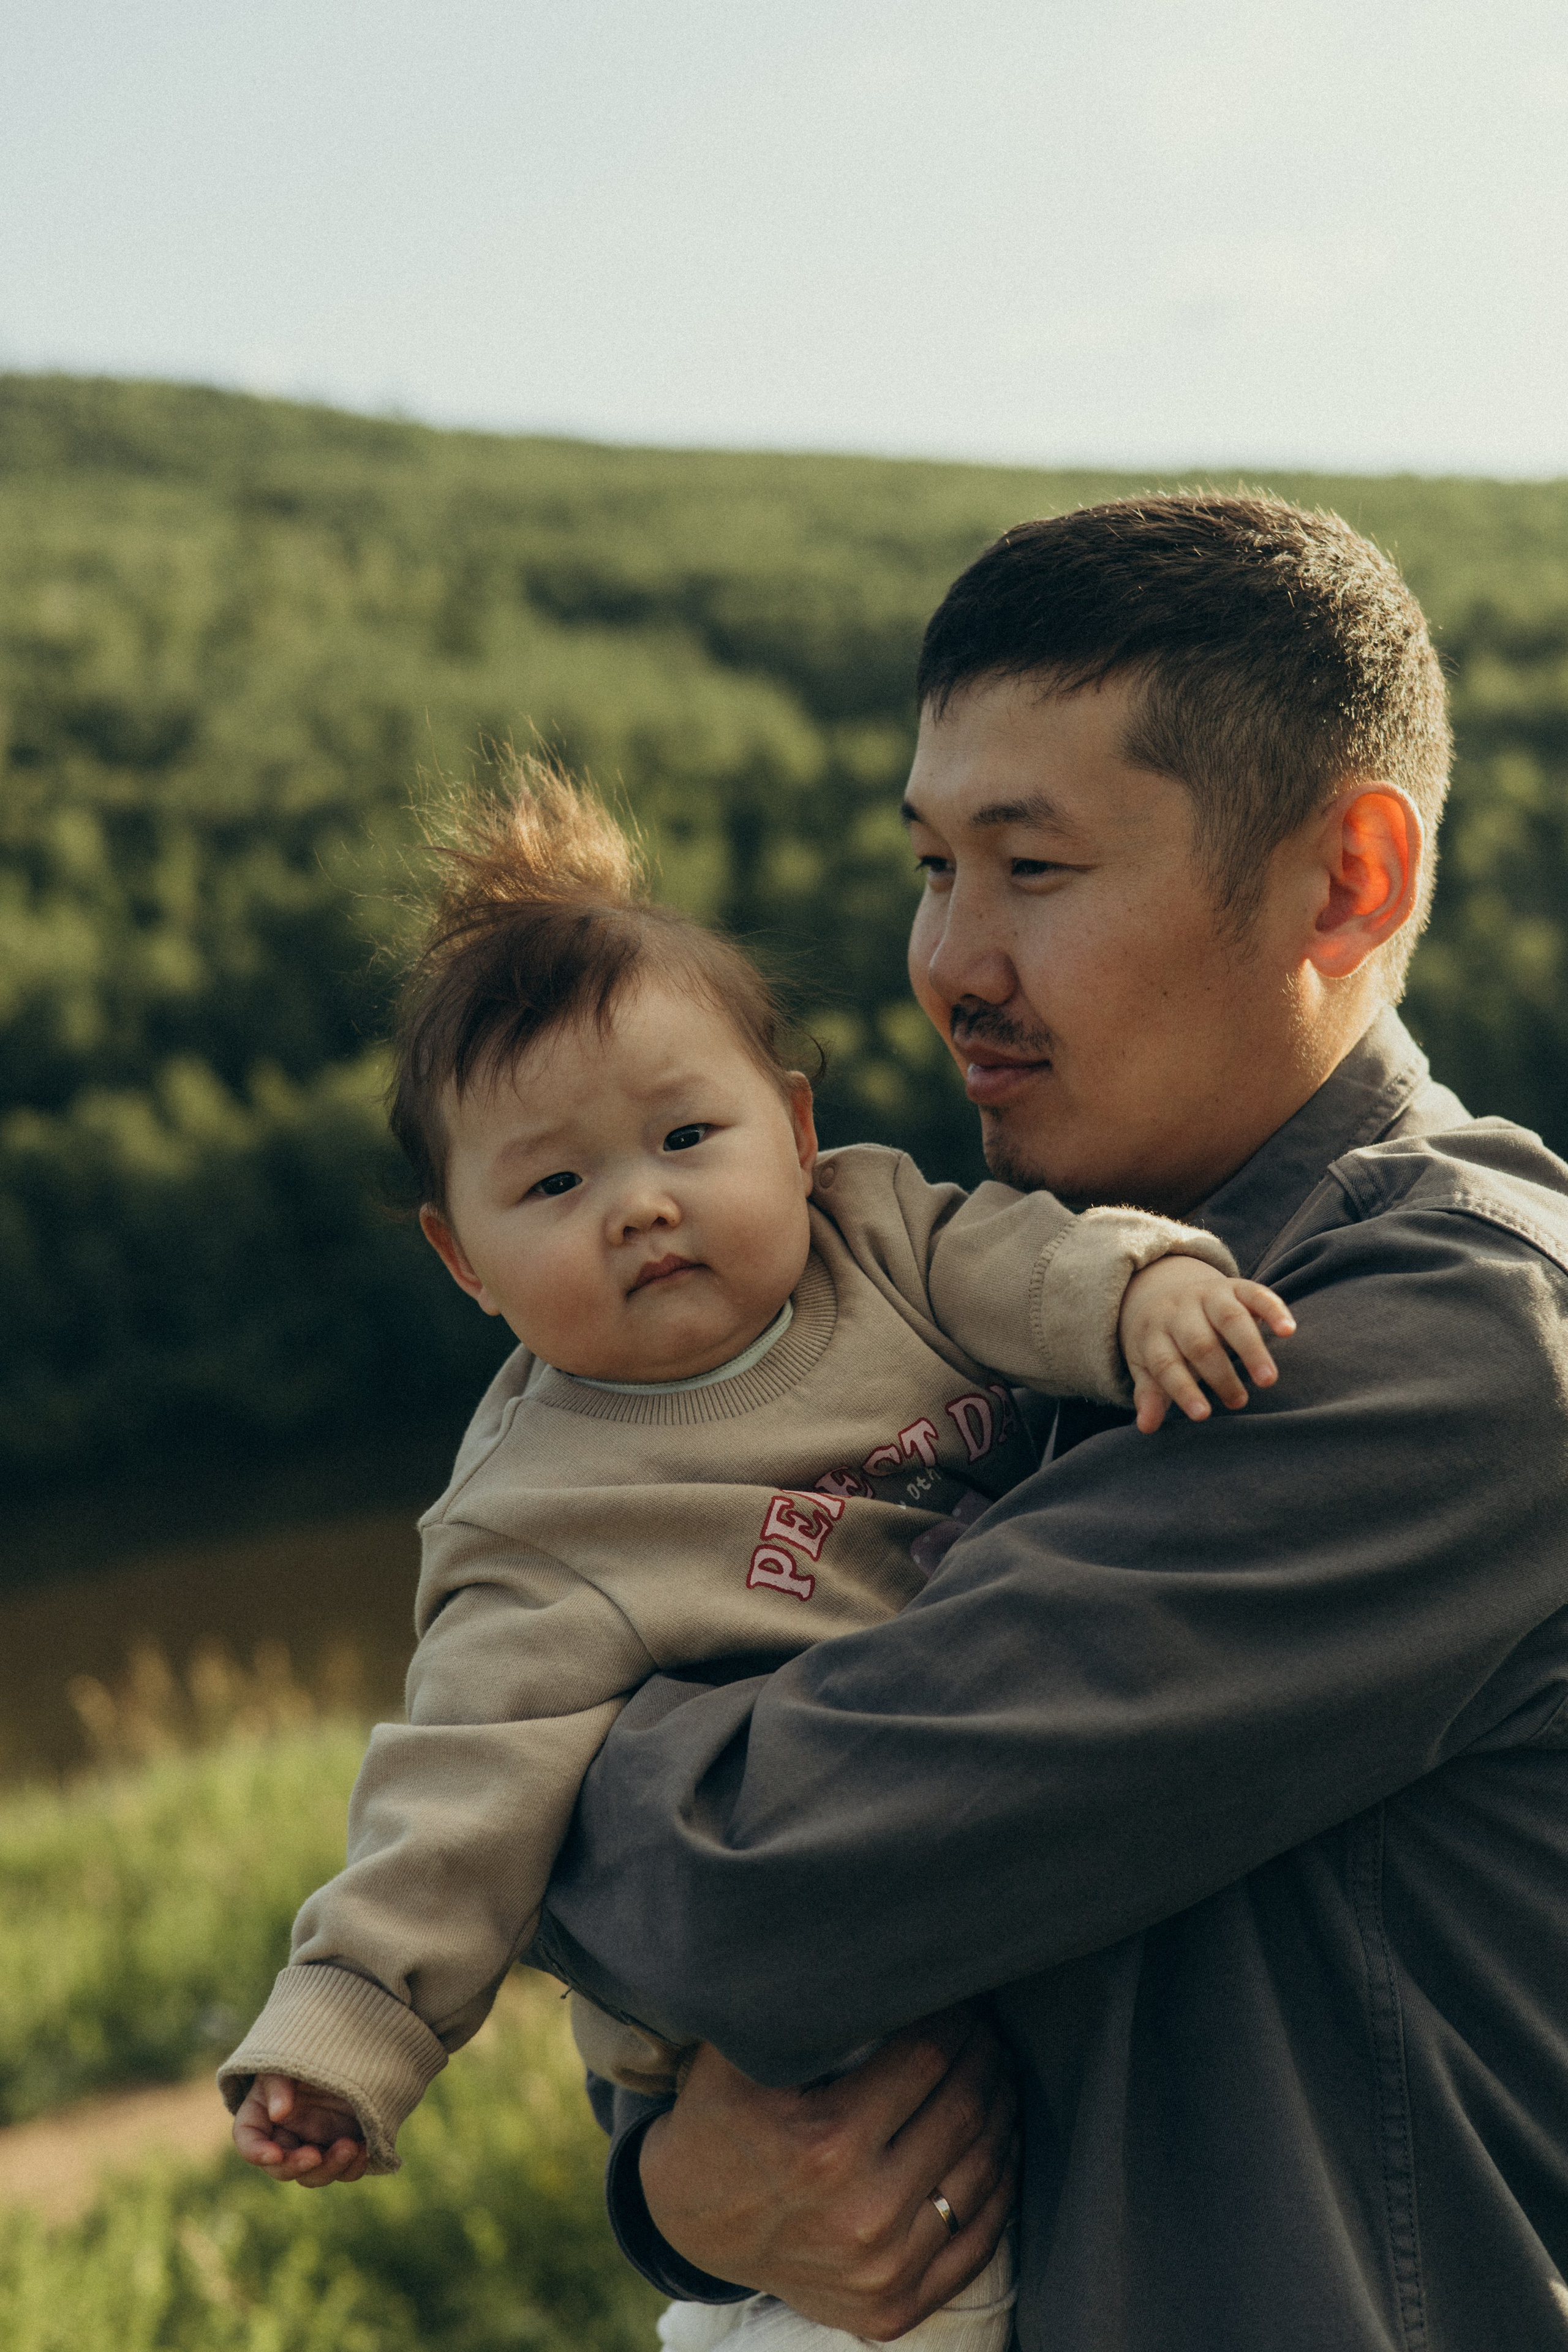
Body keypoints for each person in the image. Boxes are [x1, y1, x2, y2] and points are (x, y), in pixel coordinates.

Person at [522, 495, 1568, 2351]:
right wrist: (683, 2197)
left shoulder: (1458, 1344)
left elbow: (763, 1887)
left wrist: (497, 1753)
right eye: (934, 865)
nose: (951, 960)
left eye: (1034, 867)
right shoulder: (1006, 1306)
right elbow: (797, 1951)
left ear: (1348, 881)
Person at [217, 757, 1291, 2352]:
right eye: (556, 1183)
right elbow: (461, 1783)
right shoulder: (538, 1514)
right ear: (462, 1258)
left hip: (1000, 1911)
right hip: (812, 2087)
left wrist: (1148, 1292)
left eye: (685, 1134)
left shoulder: (881, 1238)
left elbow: (1032, 1262)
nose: (640, 1206)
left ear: (795, 1129)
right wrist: (349, 2026)